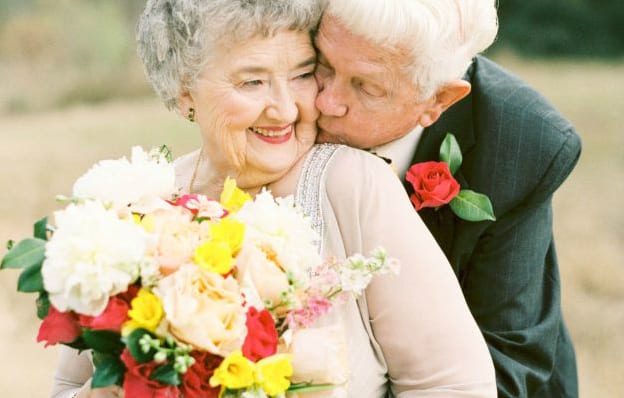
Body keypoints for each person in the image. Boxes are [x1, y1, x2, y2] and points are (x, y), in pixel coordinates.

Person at [50, 1, 496, 397]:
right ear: (185, 87)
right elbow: (68, 386)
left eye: (302, 74)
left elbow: (454, 385)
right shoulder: (133, 205)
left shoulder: (352, 186)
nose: (286, 109)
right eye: (252, 82)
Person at [313, 1, 581, 397]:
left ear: (439, 101)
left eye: (366, 86)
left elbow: (505, 360)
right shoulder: (286, 82)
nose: (325, 103)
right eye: (322, 64)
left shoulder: (520, 141)